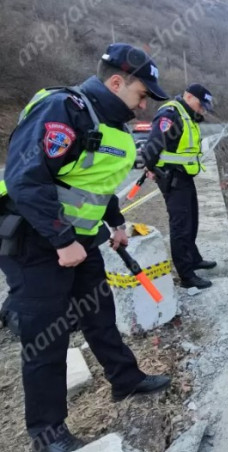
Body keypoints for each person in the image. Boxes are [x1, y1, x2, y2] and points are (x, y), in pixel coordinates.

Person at [0, 43, 173, 452]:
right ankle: (48, 434)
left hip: (77, 239)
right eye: (141, 95)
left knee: (99, 313)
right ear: (116, 83)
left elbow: (93, 185)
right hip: (32, 239)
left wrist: (116, 223)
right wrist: (62, 241)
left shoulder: (112, 126)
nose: (144, 106)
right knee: (47, 336)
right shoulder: (63, 110)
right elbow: (26, 179)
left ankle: (125, 379)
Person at [141, 84, 216, 289]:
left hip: (184, 176)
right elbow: (152, 146)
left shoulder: (188, 115)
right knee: (180, 225)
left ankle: (193, 258)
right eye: (201, 105)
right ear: (189, 97)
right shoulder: (171, 114)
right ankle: (186, 275)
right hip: (172, 177)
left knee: (192, 219)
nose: (203, 110)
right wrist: (151, 168)